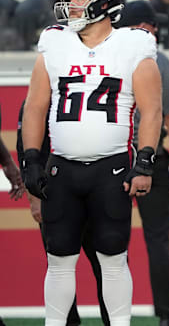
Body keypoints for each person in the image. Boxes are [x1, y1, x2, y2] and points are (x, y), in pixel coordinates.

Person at [21, 0, 162, 326]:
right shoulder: (54, 43)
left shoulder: (133, 45)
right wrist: (32, 160)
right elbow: (35, 106)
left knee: (113, 257)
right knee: (59, 258)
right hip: (62, 167)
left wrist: (144, 162)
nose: (71, 5)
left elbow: (152, 110)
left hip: (110, 168)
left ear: (103, 2)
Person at [114, 0, 169, 326]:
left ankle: (112, 315)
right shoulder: (156, 59)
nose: (156, 30)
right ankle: (167, 315)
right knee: (157, 240)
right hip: (149, 157)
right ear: (142, 27)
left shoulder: (101, 55)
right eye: (150, 24)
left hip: (108, 158)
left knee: (108, 245)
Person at [17, 100, 112, 326]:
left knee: (109, 266)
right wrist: (34, 198)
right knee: (60, 266)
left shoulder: (93, 87)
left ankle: (114, 322)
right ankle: (68, 322)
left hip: (96, 194)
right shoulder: (39, 96)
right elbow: (26, 150)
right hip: (55, 194)